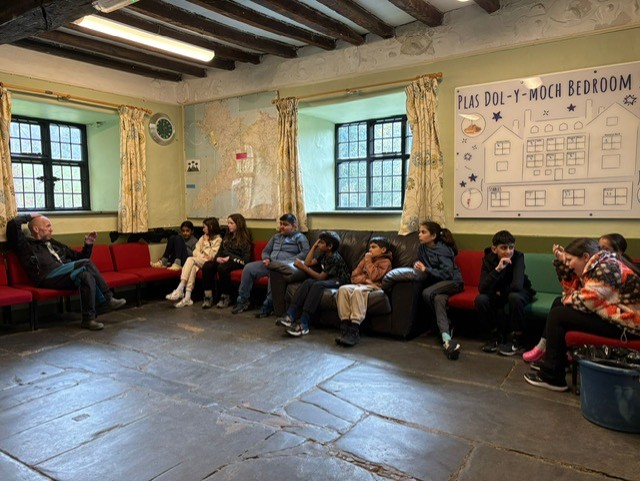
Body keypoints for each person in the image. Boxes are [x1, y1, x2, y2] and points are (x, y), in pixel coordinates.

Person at [523, 238, 640, 392]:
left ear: (585, 257)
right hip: (619, 317)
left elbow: (587, 301)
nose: (568, 265)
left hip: (629, 325)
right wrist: (563, 266)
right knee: (559, 304)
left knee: (559, 315)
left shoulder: (607, 268)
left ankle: (552, 377)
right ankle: (554, 361)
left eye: (570, 260)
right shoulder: (600, 264)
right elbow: (574, 291)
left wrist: (567, 298)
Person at [6, 213, 126, 331]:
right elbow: (13, 224)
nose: (51, 229)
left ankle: (88, 319)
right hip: (46, 277)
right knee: (86, 264)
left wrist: (88, 245)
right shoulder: (25, 245)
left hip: (63, 274)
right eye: (48, 226)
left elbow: (79, 258)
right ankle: (107, 298)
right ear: (36, 229)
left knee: (85, 275)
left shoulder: (54, 243)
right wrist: (31, 216)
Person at [232, 213, 309, 316]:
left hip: (282, 267)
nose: (282, 227)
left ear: (294, 226)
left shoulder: (300, 238)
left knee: (273, 274)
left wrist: (286, 262)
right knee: (248, 268)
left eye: (285, 224)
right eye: (281, 224)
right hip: (269, 264)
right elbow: (266, 251)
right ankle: (243, 300)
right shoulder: (276, 237)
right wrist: (266, 258)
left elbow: (305, 253)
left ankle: (268, 305)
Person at [277, 231, 350, 337]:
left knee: (318, 285)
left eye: (321, 242)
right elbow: (308, 263)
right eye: (318, 242)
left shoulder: (334, 257)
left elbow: (320, 277)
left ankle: (304, 322)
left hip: (340, 280)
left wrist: (303, 268)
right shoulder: (323, 255)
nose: (318, 244)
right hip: (329, 279)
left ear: (329, 246)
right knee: (308, 282)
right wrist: (314, 247)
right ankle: (290, 314)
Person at [475, 230, 536, 356]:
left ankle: (518, 339)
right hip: (497, 292)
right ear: (494, 249)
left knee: (514, 297)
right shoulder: (488, 259)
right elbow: (482, 288)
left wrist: (501, 292)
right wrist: (498, 270)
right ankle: (495, 335)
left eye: (511, 247)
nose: (508, 251)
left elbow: (517, 286)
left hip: (520, 291)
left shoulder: (518, 257)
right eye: (503, 248)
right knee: (481, 299)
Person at [414, 221, 464, 360]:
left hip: (453, 282)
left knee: (427, 293)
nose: (419, 235)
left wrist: (426, 269)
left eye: (423, 232)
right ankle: (447, 340)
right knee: (438, 299)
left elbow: (447, 274)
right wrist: (417, 265)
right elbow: (420, 262)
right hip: (439, 286)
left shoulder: (443, 250)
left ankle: (447, 323)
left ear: (433, 236)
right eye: (419, 232)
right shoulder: (422, 248)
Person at [335, 236, 393, 347]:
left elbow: (375, 276)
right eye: (370, 247)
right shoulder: (365, 259)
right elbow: (354, 276)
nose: (370, 250)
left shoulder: (385, 262)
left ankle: (354, 329)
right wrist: (366, 280)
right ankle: (345, 326)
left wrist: (368, 261)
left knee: (358, 291)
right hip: (364, 284)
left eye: (374, 247)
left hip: (375, 287)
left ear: (383, 250)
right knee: (343, 289)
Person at [166, 218, 222, 308]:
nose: (203, 230)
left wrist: (206, 243)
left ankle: (180, 288)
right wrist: (202, 255)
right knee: (192, 267)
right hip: (200, 260)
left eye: (204, 227)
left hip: (209, 263)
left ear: (211, 227)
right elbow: (195, 252)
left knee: (190, 259)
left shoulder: (218, 240)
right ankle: (187, 297)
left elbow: (212, 255)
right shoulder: (202, 238)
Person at [201, 213, 252, 309]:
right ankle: (208, 296)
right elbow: (220, 252)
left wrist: (230, 258)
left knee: (222, 268)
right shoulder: (227, 236)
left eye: (231, 223)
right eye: (228, 223)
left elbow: (246, 260)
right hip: (224, 259)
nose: (229, 225)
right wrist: (217, 258)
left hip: (236, 261)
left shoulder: (245, 239)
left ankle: (226, 297)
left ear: (238, 224)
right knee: (207, 266)